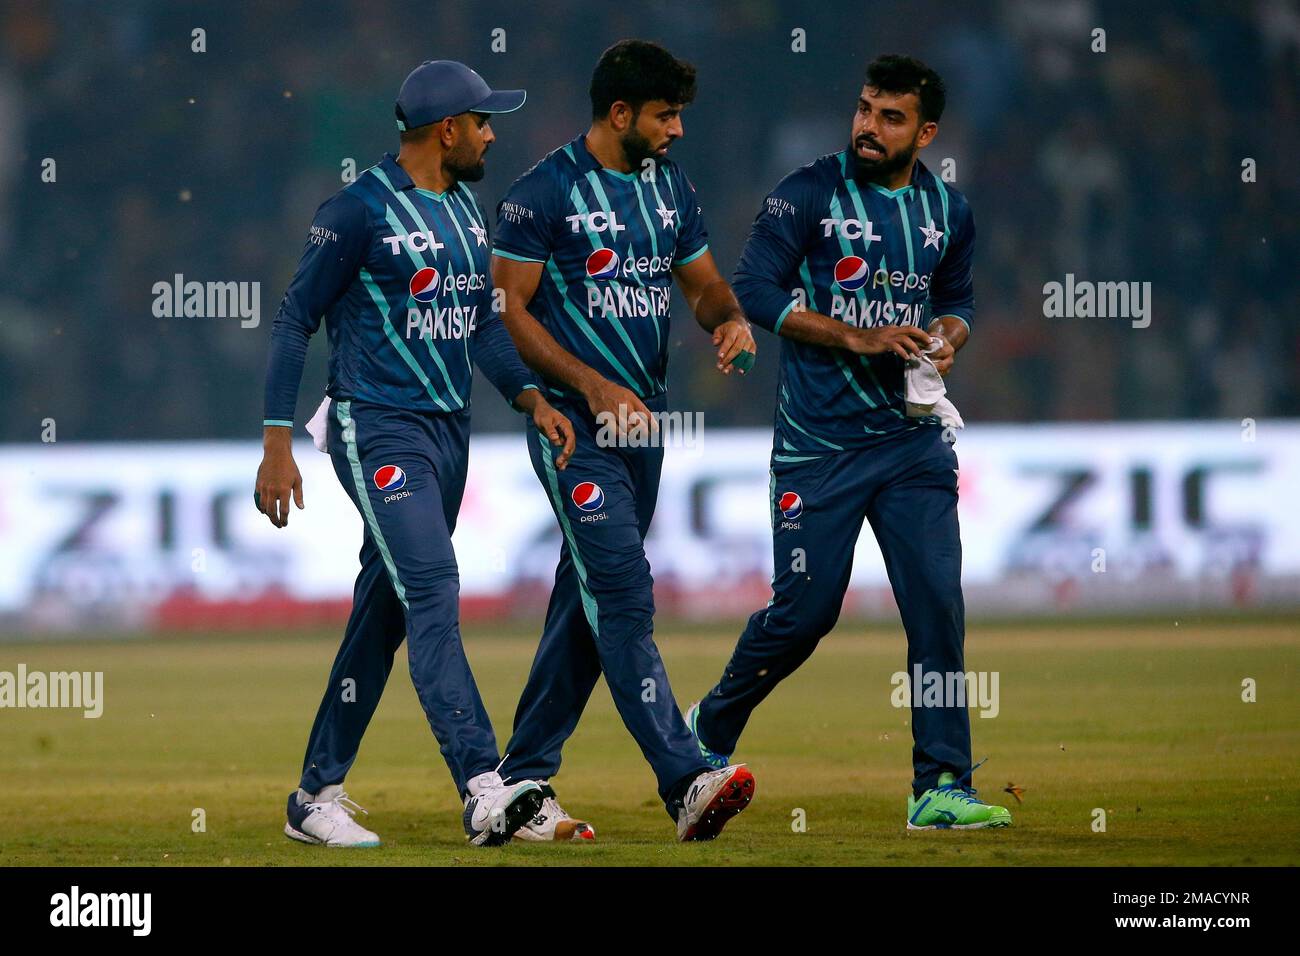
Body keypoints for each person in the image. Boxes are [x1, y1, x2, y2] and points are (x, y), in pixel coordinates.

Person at [686, 54, 1012, 830]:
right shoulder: (805, 194)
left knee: (937, 605)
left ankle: (940, 785)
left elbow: (959, 300)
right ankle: (705, 729)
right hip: (817, 446)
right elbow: (755, 291)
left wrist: (947, 336)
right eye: (865, 108)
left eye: (891, 116)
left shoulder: (948, 210)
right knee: (803, 616)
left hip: (912, 445)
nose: (869, 126)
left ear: (926, 131)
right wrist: (860, 338)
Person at [255, 59, 576, 847]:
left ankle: (315, 796)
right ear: (448, 130)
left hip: (448, 432)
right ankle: (484, 788)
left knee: (386, 611)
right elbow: (296, 318)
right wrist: (275, 443)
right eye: (484, 123)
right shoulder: (356, 210)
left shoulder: (468, 211)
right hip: (378, 428)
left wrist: (529, 397)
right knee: (433, 587)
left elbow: (483, 326)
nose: (493, 135)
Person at [490, 39, 758, 842]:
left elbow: (703, 283)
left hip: (647, 429)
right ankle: (685, 782)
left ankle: (519, 780)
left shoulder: (669, 187)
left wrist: (731, 316)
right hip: (577, 429)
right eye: (665, 115)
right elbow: (508, 309)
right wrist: (592, 385)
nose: (677, 130)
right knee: (624, 593)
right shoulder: (542, 193)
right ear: (620, 114)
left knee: (588, 599)